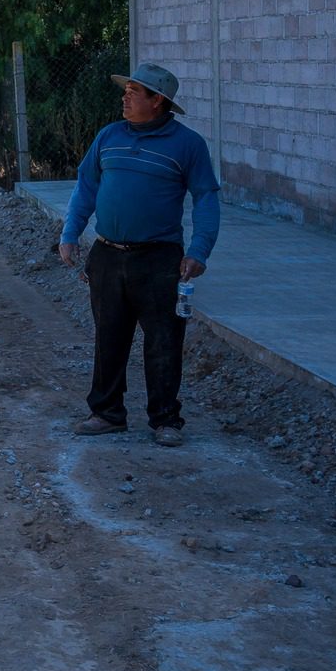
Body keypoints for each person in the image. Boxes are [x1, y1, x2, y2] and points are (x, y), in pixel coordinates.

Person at [58, 61, 220, 447]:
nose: (125, 97)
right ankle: (107, 413)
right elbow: (86, 187)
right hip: (108, 254)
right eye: (126, 90)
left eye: (135, 92)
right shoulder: (109, 136)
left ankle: (165, 419)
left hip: (160, 259)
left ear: (158, 101)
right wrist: (70, 234)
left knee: (163, 340)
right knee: (108, 337)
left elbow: (206, 199)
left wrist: (199, 251)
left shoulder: (188, 145)